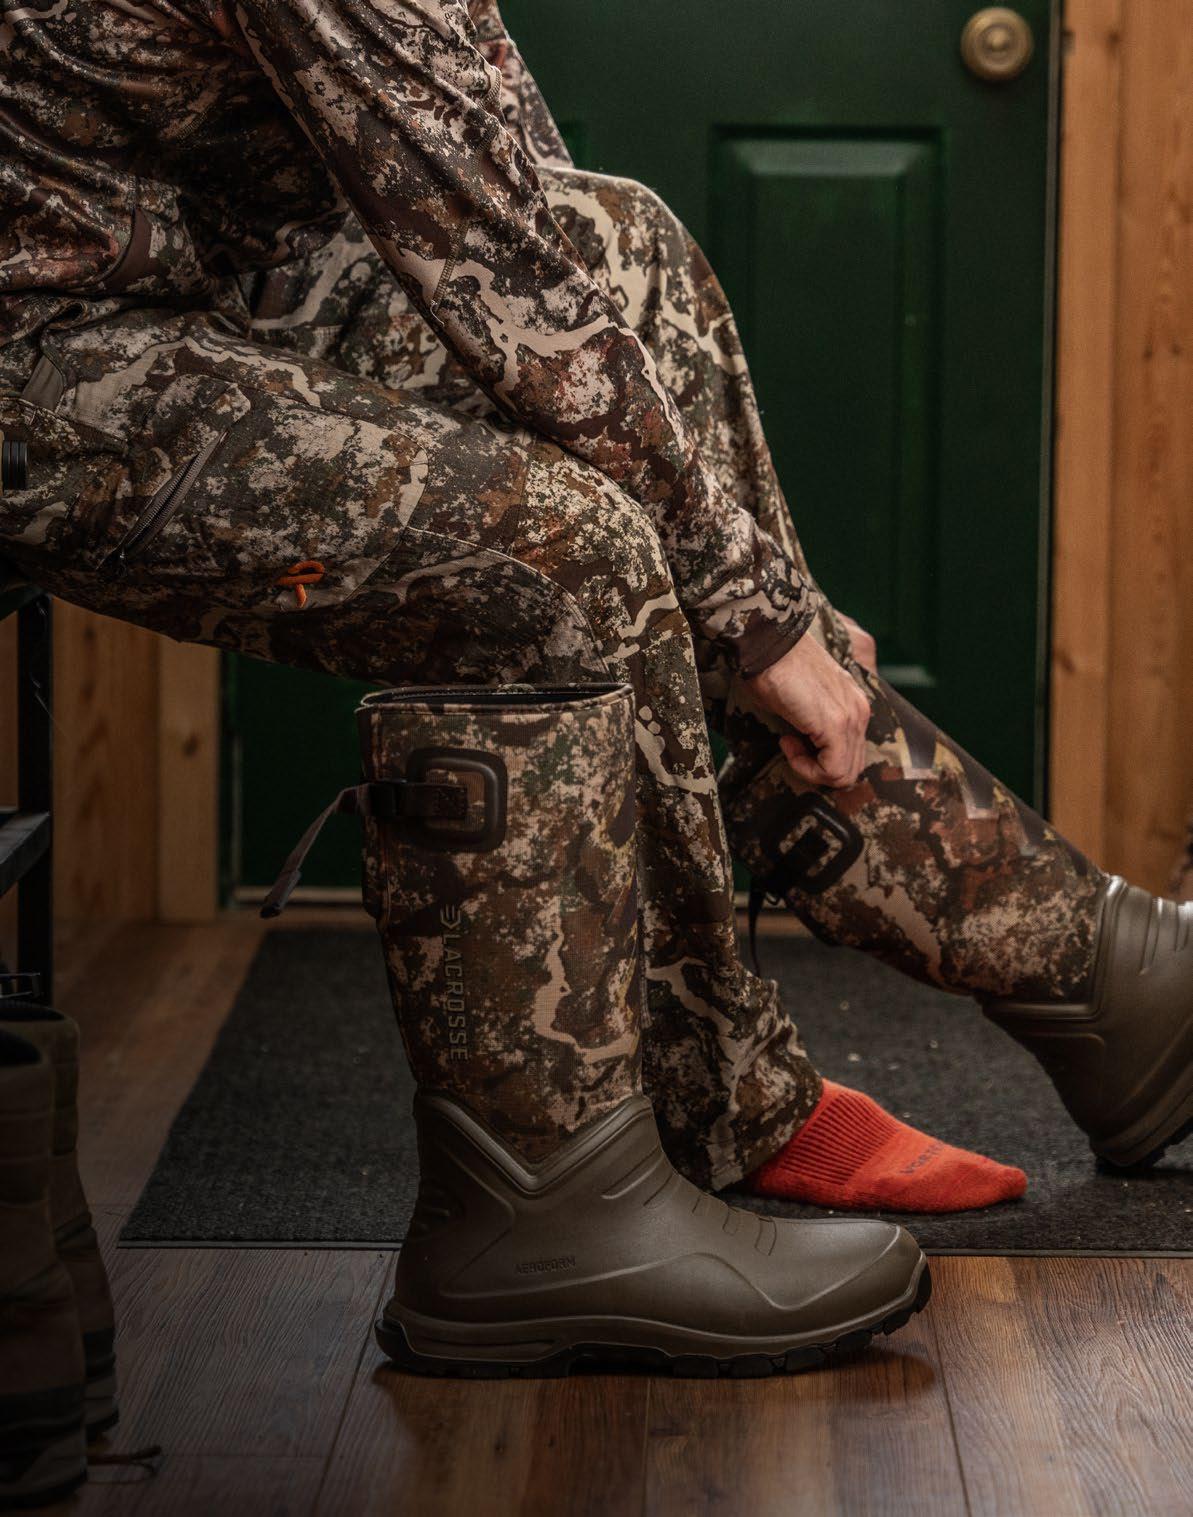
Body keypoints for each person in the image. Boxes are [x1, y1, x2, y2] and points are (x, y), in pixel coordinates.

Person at [0, 0, 1188, 1404]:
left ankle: (1070, 977)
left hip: (193, 274)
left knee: (624, 253)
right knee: (563, 549)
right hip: (47, 346)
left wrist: (763, 592)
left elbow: (506, 184)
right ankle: (549, 1196)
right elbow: (489, 251)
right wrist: (755, 612)